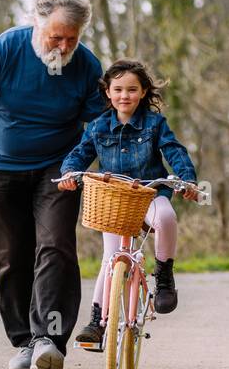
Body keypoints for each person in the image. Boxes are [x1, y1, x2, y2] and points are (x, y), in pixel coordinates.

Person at [0, 0, 105, 369]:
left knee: (56, 247)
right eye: (56, 36)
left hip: (58, 169)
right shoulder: (8, 48)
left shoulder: (86, 66)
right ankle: (24, 341)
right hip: (1, 167)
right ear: (37, 23)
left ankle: (49, 339)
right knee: (12, 257)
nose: (63, 46)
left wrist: (88, 164)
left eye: (72, 38)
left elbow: (99, 124)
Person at [57, 58, 198, 350]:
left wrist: (187, 180)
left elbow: (175, 151)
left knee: (167, 218)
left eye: (132, 89)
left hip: (150, 194)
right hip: (115, 200)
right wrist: (69, 174)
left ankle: (164, 276)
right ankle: (98, 321)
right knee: (110, 259)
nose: (125, 96)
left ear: (144, 92)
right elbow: (79, 154)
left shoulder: (155, 124)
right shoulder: (97, 127)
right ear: (107, 92)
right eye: (118, 89)